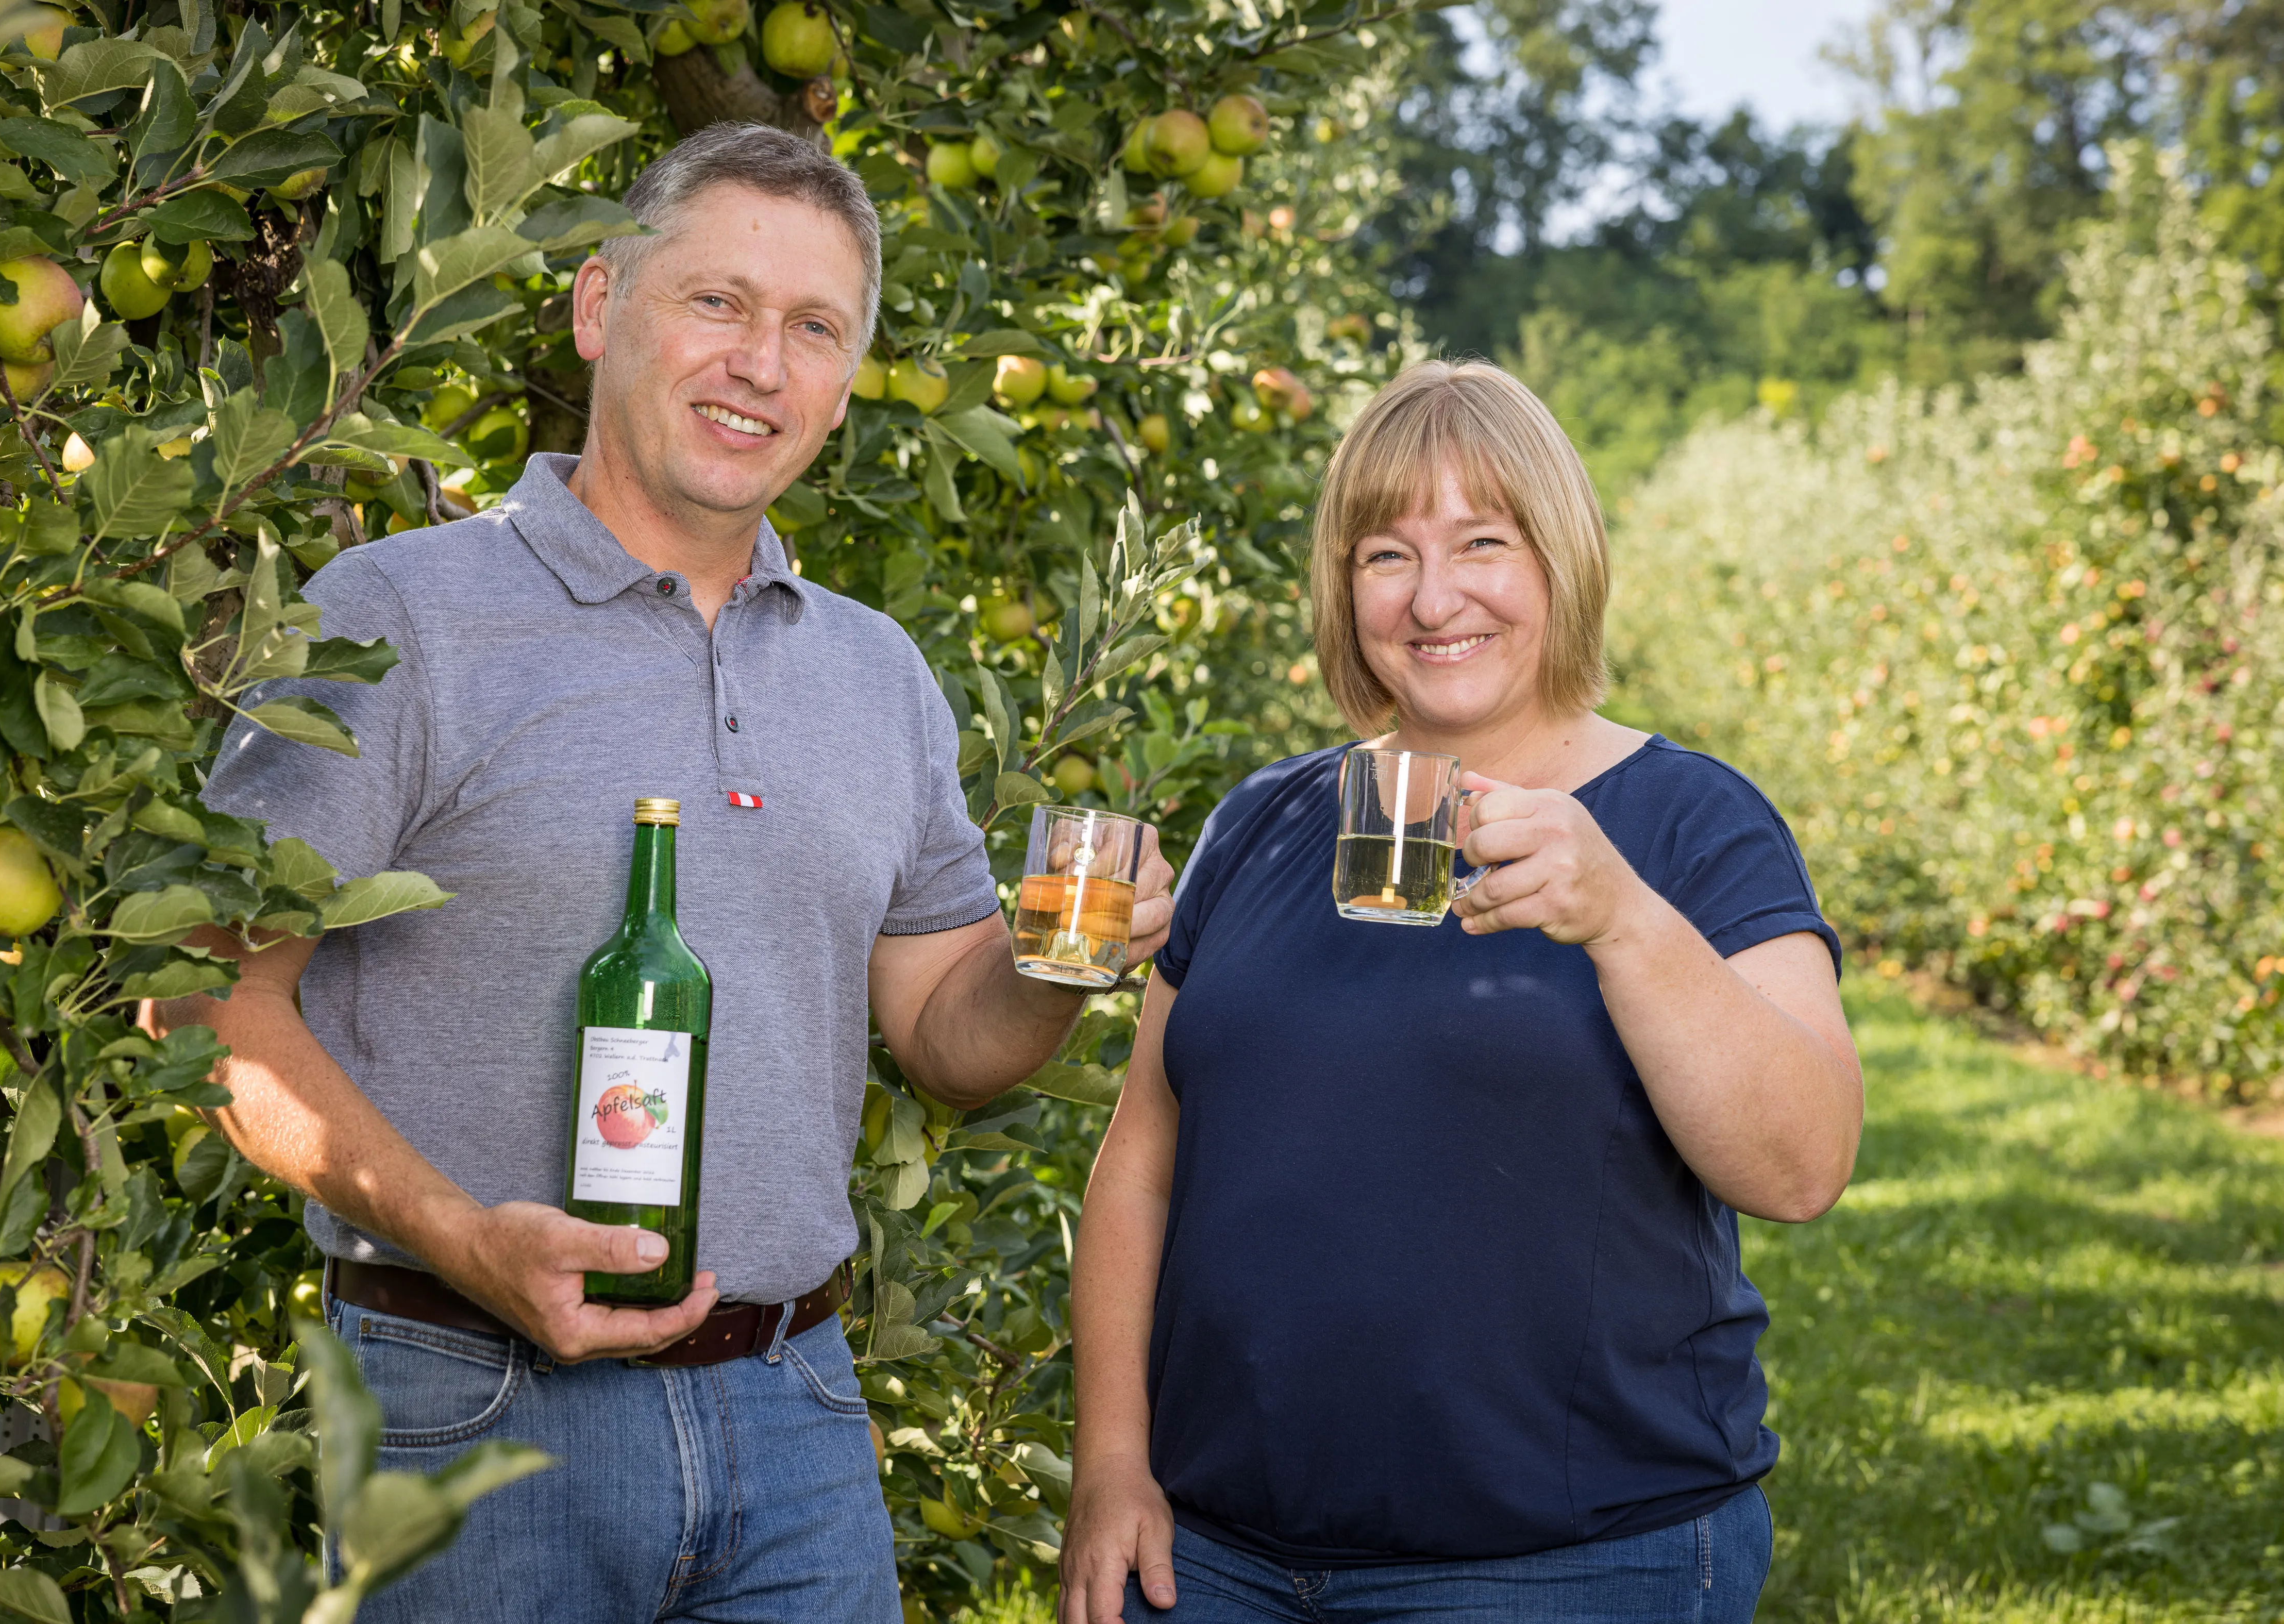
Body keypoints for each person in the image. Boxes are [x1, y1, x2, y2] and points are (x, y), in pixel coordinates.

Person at [147, 122, 1173, 1623]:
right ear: (598, 305)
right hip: (468, 1407)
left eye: (813, 328)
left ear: (845, 383)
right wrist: (465, 1241)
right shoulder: (400, 617)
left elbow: (946, 1038)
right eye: (717, 302)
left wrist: (1060, 958)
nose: (760, 362)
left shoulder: (876, 675)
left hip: (794, 1416)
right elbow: (202, 1003)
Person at [1059, 359, 1863, 1623]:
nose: (1434, 599)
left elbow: (1802, 1166)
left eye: (1482, 543)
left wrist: (1623, 921)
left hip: (1561, 1563)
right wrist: (1111, 1461)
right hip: (1211, 1556)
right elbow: (1140, 1168)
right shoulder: (1259, 824)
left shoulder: (1689, 822)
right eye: (1387, 555)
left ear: (1559, 560)